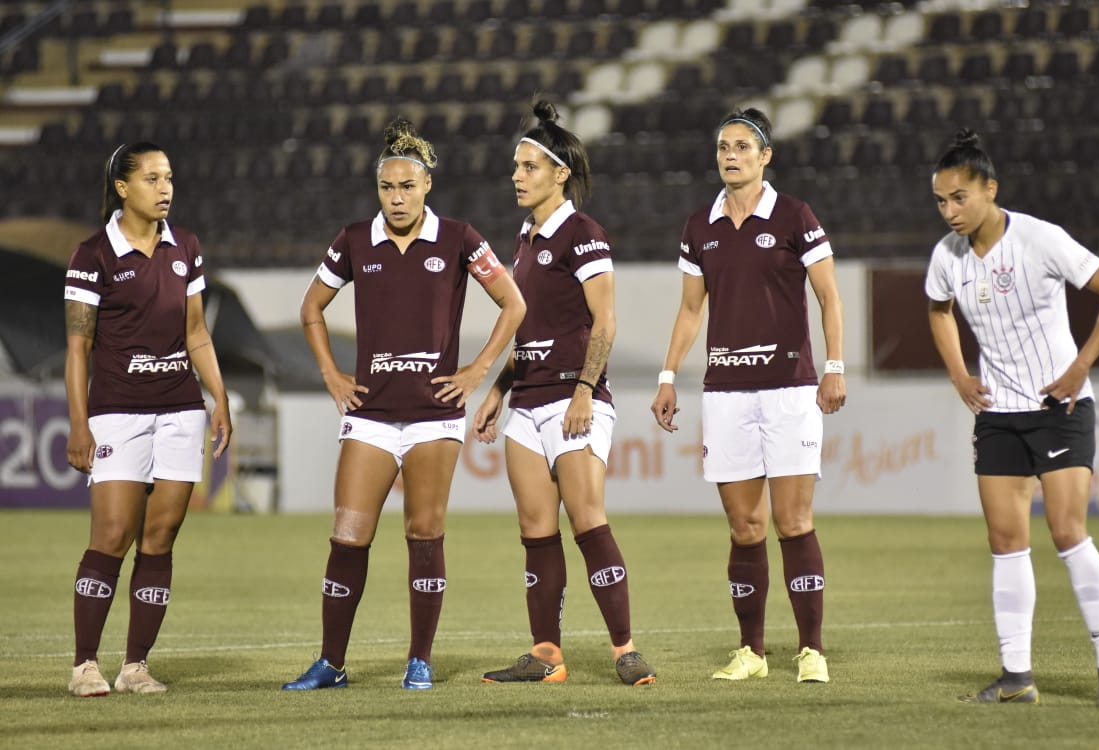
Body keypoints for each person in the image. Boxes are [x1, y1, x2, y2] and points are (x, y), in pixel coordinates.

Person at [282, 118, 525, 691]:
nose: (397, 197)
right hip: (369, 415)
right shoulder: (353, 239)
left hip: (434, 416)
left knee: (424, 532)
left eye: (408, 186)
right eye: (388, 187)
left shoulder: (460, 238)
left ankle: (420, 659)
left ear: (427, 186)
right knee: (347, 535)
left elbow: (512, 305)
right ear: (378, 190)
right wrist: (331, 375)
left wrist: (476, 370)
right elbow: (310, 308)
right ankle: (331, 664)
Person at [926, 129, 1099, 708]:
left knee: (1067, 532)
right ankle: (1017, 676)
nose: (949, 211)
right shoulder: (947, 257)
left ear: (991, 188)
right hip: (998, 416)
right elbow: (938, 311)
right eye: (940, 200)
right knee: (1006, 542)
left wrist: (1081, 365)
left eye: (959, 197)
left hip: (1059, 410)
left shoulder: (1041, 238)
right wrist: (960, 375)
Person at [650, 108, 845, 684]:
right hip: (726, 393)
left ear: (765, 157)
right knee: (745, 528)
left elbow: (829, 295)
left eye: (742, 146)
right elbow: (691, 309)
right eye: (722, 147)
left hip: (790, 390)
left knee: (792, 519)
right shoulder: (698, 225)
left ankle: (811, 650)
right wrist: (667, 375)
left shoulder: (793, 216)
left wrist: (833, 368)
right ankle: (751, 653)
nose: (730, 155)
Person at [473, 100, 656, 686]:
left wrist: (583, 390)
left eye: (529, 167)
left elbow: (605, 321)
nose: (517, 176)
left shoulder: (583, 233)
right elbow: (525, 328)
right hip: (526, 402)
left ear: (560, 174)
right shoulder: (525, 239)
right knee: (535, 527)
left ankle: (625, 649)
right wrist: (500, 387)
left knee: (587, 519)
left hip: (574, 400)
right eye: (516, 167)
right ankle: (546, 654)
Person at [63, 142, 232, 697]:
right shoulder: (93, 254)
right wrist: (80, 423)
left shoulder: (187, 246)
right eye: (153, 178)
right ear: (122, 187)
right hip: (116, 411)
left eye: (169, 178)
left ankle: (135, 665)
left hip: (181, 408)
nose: (166, 188)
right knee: (113, 534)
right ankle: (84, 664)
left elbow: (196, 332)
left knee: (160, 536)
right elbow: (78, 349)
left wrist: (219, 399)